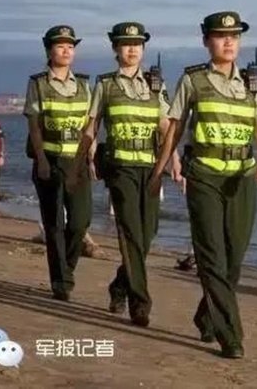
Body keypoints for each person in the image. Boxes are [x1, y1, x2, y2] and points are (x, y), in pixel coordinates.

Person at [148, 11, 257, 359]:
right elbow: (174, 127)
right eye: (220, 36)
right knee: (212, 256)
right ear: (207, 41)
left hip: (241, 178)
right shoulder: (193, 80)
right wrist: (160, 169)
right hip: (203, 175)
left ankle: (207, 315)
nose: (228, 41)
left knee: (234, 257)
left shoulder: (252, 83)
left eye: (234, 36)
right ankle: (231, 335)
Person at [67, 22, 182, 327]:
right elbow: (91, 128)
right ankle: (140, 303)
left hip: (151, 168)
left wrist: (174, 159)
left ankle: (119, 285)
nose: (132, 49)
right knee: (130, 232)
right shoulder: (106, 84)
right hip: (120, 168)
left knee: (147, 235)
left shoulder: (155, 84)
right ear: (116, 49)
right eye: (126, 44)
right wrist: (78, 163)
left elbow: (165, 126)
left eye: (137, 44)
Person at [24, 25, 93, 301]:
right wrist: (41, 160)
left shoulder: (84, 84)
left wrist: (91, 158)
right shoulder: (38, 83)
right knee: (54, 223)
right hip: (50, 161)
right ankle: (60, 282)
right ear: (49, 51)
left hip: (77, 162)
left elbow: (89, 125)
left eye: (70, 46)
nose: (66, 51)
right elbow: (34, 126)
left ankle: (67, 268)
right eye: (60, 46)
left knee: (80, 221)